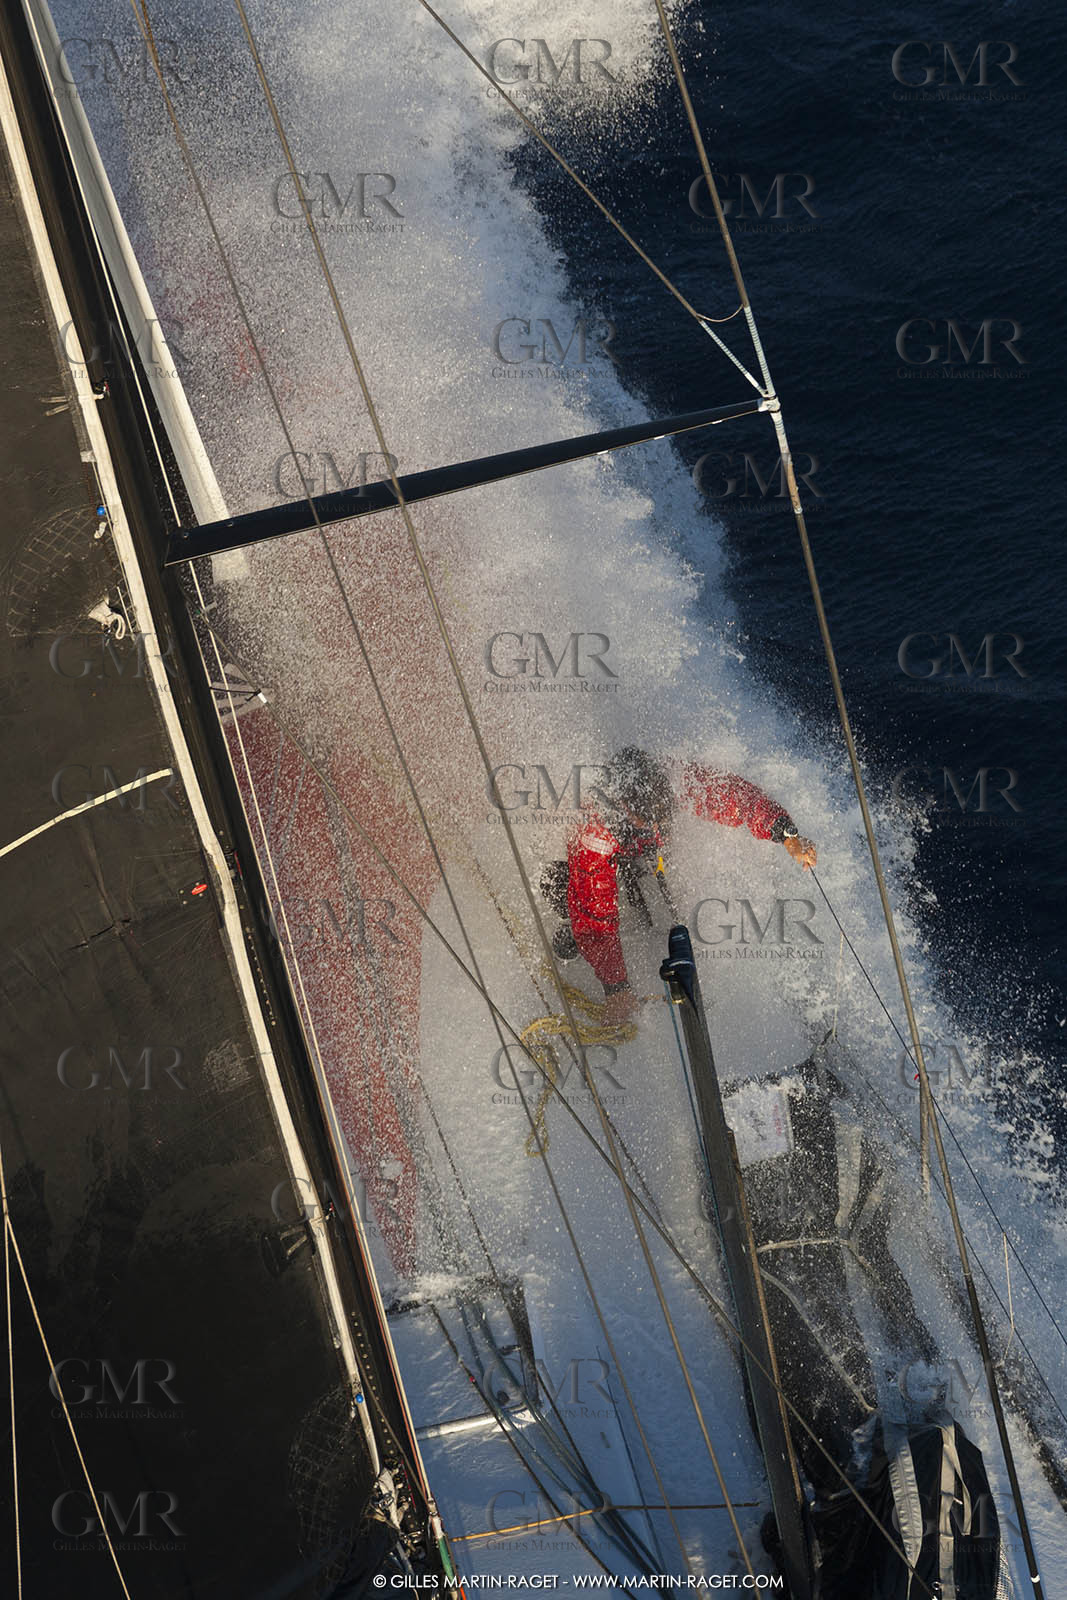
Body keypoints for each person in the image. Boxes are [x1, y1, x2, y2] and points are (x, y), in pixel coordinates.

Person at [541, 747, 817, 1025]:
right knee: (582, 909)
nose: (658, 822)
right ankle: (569, 915)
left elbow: (732, 796)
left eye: (662, 814)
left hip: (640, 852)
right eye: (648, 820)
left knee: (656, 901)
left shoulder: (672, 779)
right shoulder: (595, 832)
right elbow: (595, 921)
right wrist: (616, 988)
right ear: (625, 809)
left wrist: (785, 833)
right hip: (603, 863)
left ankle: (643, 896)